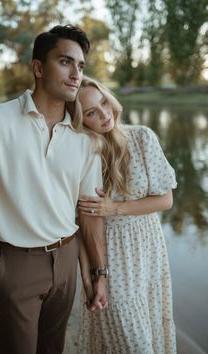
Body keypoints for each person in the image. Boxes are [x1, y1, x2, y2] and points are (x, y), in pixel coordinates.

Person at [0, 26, 108, 354]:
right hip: (17, 263)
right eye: (65, 61)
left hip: (66, 259)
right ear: (37, 67)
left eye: (80, 65)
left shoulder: (86, 140)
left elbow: (89, 212)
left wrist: (98, 272)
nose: (76, 73)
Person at [76, 76, 177, 354]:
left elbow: (166, 199)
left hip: (148, 250)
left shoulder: (143, 137)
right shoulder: (82, 153)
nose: (104, 114)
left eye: (104, 103)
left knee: (148, 329)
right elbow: (81, 222)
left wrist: (115, 208)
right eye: (91, 113)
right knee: (133, 342)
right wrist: (88, 278)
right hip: (109, 256)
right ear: (80, 120)